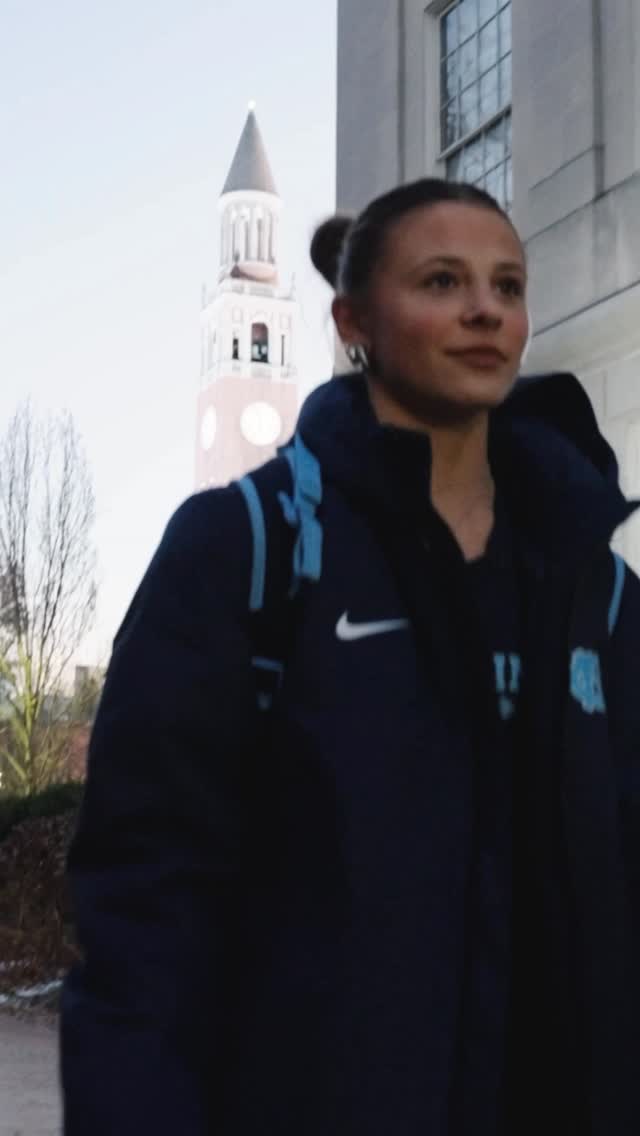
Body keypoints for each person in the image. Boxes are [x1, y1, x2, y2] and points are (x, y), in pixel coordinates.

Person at [61, 178, 639, 1136]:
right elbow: (146, 910)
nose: (485, 308)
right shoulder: (245, 551)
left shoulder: (596, 589)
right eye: (442, 280)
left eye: (507, 284)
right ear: (352, 321)